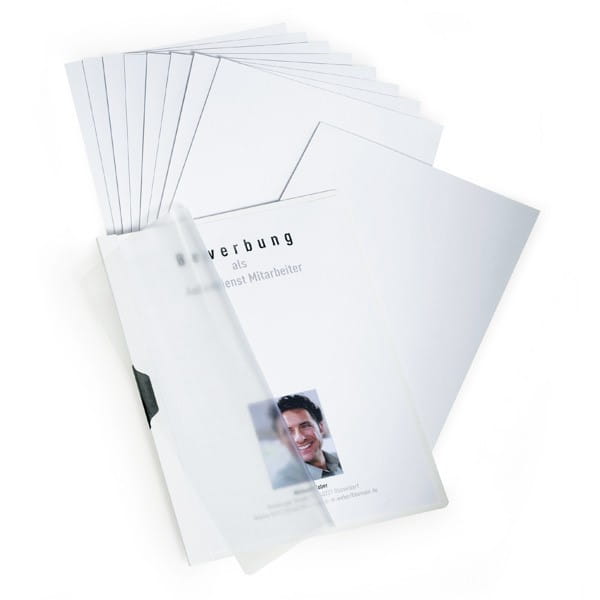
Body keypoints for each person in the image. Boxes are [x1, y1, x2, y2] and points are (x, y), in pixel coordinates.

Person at [272, 394, 343, 487]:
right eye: (288, 432)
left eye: (305, 426)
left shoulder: (342, 457)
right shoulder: (284, 483)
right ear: (281, 440)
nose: (300, 438)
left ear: (321, 428)